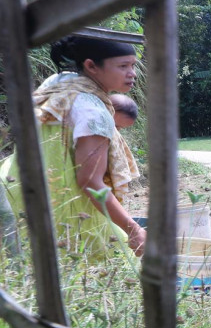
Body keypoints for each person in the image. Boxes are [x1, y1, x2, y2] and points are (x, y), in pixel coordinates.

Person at [1, 34, 145, 257]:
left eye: (133, 65)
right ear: (91, 66)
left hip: (19, 193)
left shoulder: (58, 84)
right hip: (66, 212)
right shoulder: (93, 111)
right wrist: (133, 228)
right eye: (123, 65)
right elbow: (89, 182)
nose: (132, 73)